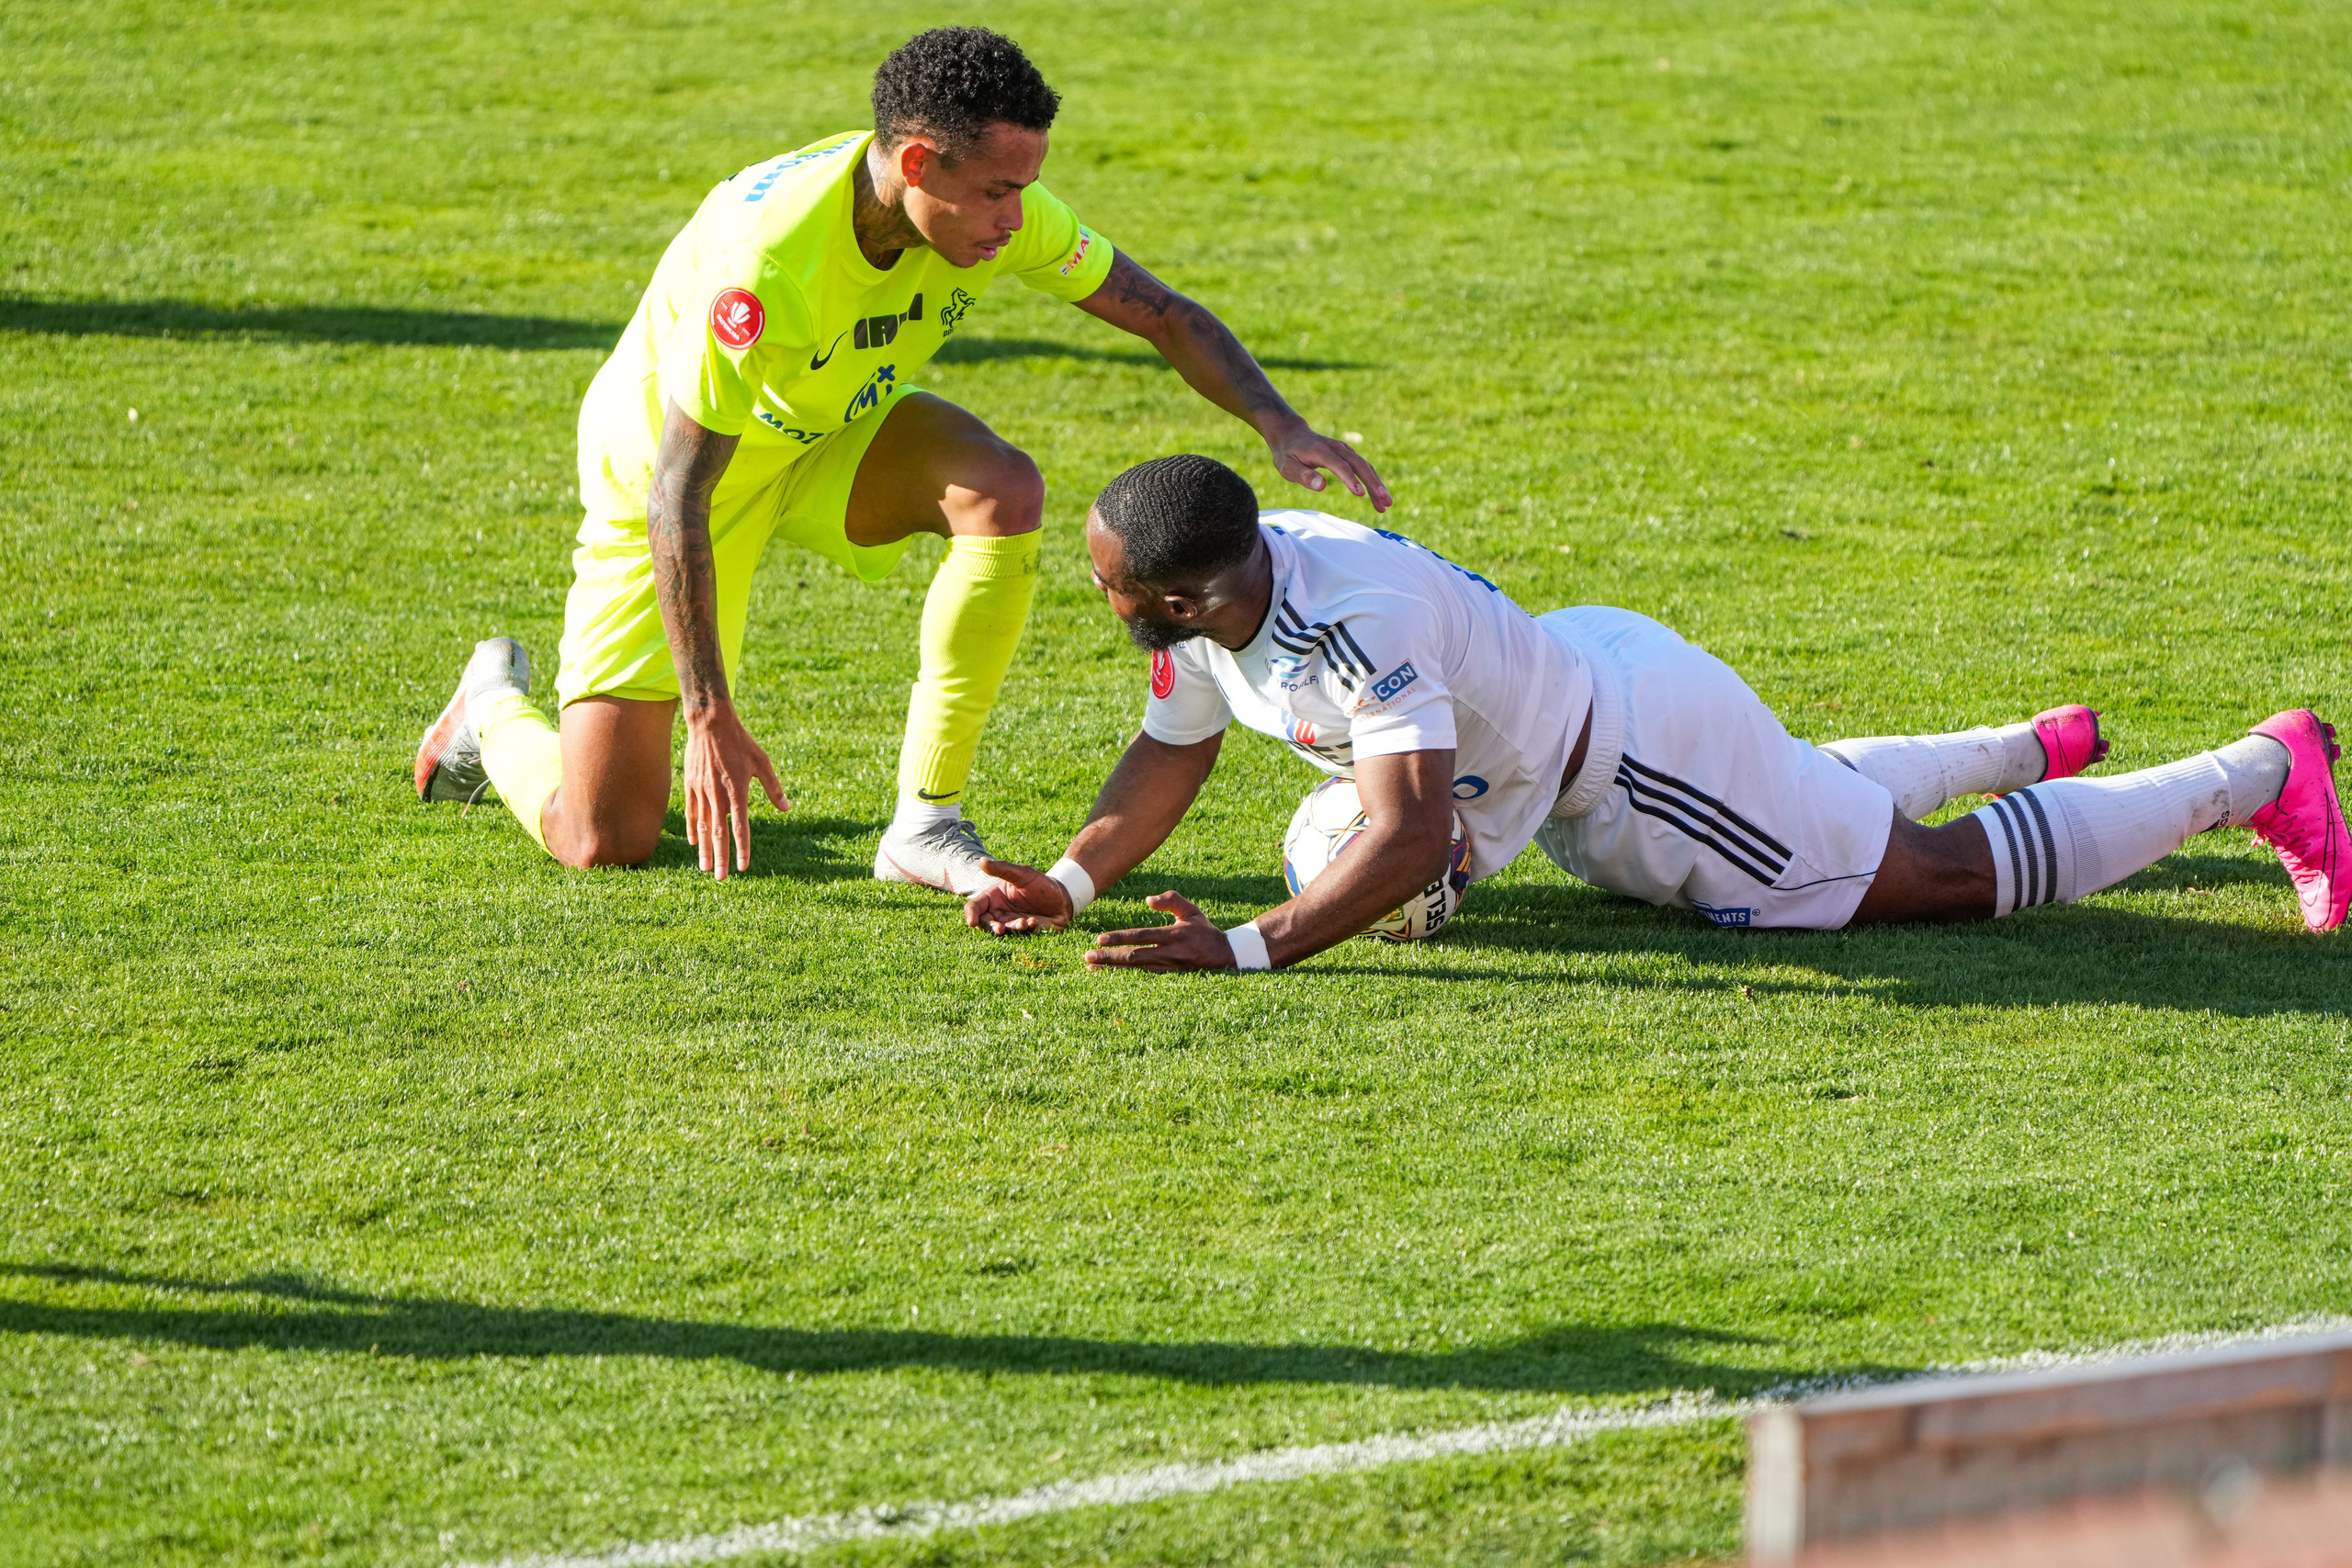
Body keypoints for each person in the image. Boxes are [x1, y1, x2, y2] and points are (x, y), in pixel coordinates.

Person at [414, 28, 1387, 888]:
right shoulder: (767, 267)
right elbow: (680, 492)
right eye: (1000, 191)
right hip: (674, 480)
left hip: (830, 432)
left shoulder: (997, 213)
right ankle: (490, 710)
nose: (1018, 218)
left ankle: (925, 823)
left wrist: (1280, 424)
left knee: (1002, 489)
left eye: (1028, 187)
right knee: (603, 839)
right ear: (917, 163)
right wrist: (709, 715)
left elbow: (1164, 314)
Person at [964, 455, 2348, 968]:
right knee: (1801, 805)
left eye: (1112, 589)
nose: (1104, 603)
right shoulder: (1221, 585)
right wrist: (1079, 878)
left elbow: (1401, 830)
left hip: (1635, 760)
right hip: (1569, 724)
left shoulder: (1347, 620)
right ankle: (2018, 747)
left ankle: (2259, 771)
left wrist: (1252, 952)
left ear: (1192, 592)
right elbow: (1172, 745)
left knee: (1927, 880)